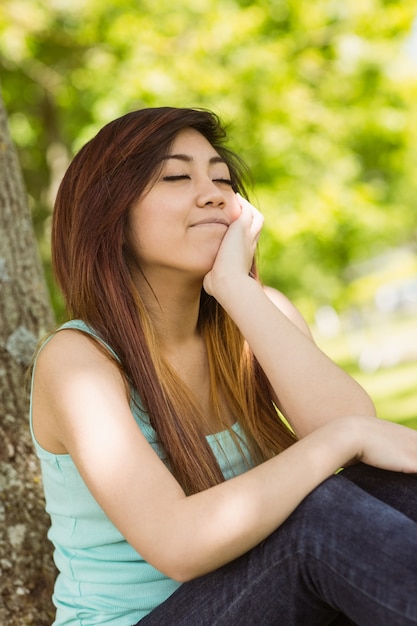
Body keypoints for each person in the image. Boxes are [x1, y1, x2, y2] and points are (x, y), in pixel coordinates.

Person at [30, 106, 417, 626]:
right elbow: (179, 545)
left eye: (222, 178)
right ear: (112, 217)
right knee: (314, 520)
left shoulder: (257, 316)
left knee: (394, 487)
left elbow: (362, 439)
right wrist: (345, 438)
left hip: (257, 600)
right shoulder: (78, 363)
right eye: (175, 176)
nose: (214, 193)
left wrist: (237, 288)